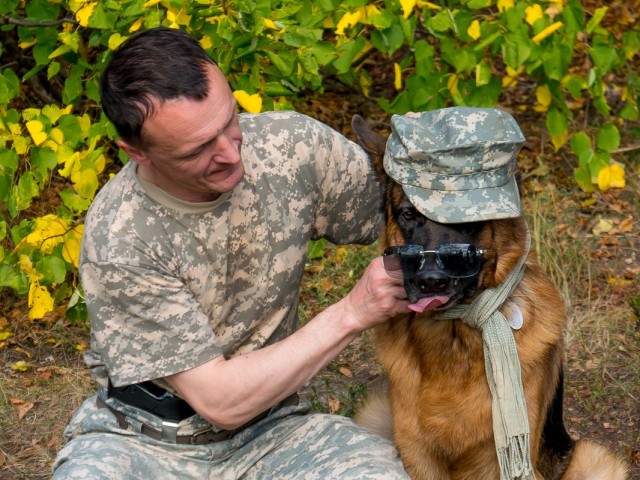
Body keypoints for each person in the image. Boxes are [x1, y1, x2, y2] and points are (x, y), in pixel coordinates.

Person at [52, 27, 411, 479]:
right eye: (199, 149)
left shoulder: (290, 148)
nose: (230, 153)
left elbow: (408, 205)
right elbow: (221, 401)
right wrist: (354, 312)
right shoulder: (122, 235)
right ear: (137, 152)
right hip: (144, 442)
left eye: (229, 121)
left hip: (275, 432)